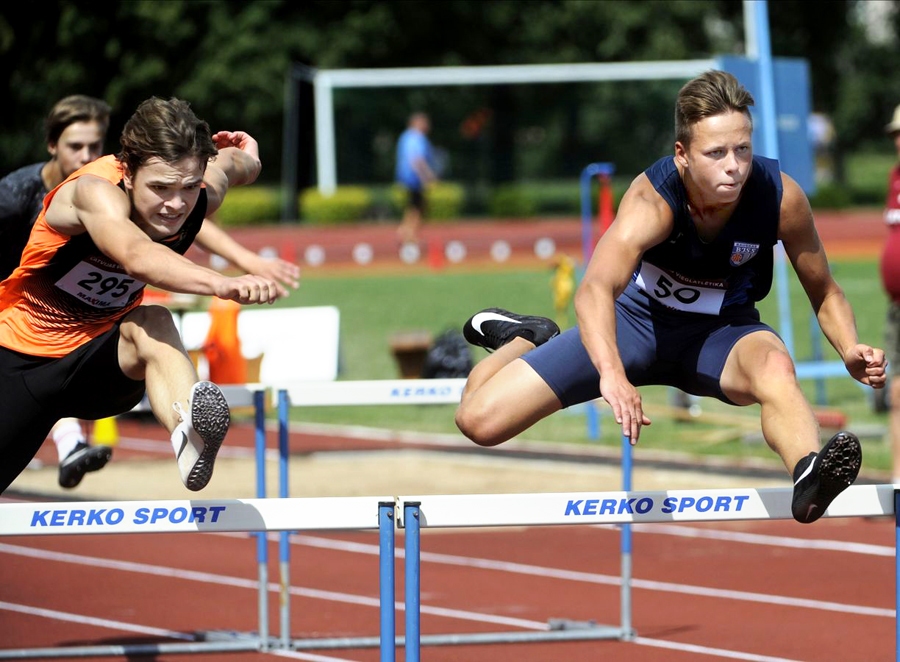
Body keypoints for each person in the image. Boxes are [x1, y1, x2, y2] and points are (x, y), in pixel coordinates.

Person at [455, 70, 886, 525]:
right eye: (716, 153)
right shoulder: (653, 200)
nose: (734, 166)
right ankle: (527, 337)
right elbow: (595, 288)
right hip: (633, 326)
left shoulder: (780, 198)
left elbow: (825, 290)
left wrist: (849, 347)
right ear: (682, 155)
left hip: (721, 334)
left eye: (742, 149)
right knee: (479, 421)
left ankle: (808, 475)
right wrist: (612, 375)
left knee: (775, 367)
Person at [0, 96, 294, 495]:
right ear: (128, 172)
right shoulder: (92, 192)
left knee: (153, 321)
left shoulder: (206, 187)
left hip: (97, 364)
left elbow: (236, 164)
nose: (176, 204)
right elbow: (137, 256)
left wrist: (252, 157)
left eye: (189, 187)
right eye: (160, 188)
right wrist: (221, 283)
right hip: (20, 359)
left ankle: (190, 433)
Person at [0, 94, 114, 489]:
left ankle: (70, 444)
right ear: (52, 145)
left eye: (95, 147)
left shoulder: (106, 192)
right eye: (75, 146)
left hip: (53, 313)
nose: (86, 157)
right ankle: (70, 443)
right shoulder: (15, 193)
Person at [878, 103, 900, 485]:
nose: (898, 141)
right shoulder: (895, 177)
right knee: (897, 395)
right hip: (897, 307)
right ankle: (898, 482)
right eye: (895, 134)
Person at [395, 111, 437, 246]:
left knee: (414, 206)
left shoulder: (405, 136)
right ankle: (408, 233)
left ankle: (406, 231)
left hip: (406, 177)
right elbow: (417, 160)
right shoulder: (416, 138)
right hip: (413, 178)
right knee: (418, 206)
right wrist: (427, 176)